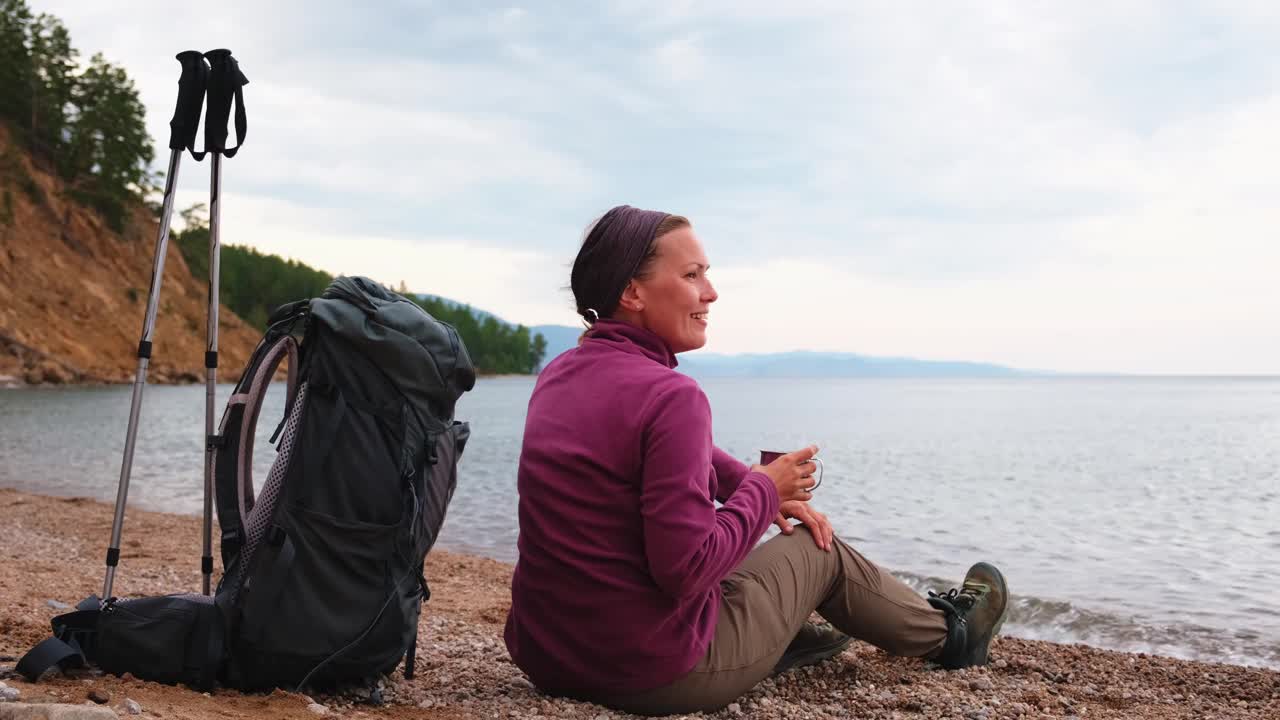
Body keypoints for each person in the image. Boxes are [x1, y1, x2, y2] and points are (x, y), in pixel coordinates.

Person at [503, 205, 1009, 716]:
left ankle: (780, 632)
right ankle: (955, 637)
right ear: (632, 292)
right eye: (692, 275)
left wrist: (752, 484)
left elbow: (648, 457)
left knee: (736, 543)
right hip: (649, 675)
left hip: (547, 657)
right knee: (818, 551)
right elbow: (685, 570)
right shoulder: (673, 396)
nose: (711, 292)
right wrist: (765, 489)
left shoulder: (559, 374)